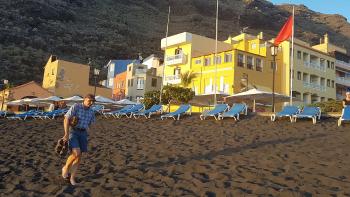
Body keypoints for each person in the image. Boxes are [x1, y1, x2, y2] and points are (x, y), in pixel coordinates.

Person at [61, 94, 96, 185]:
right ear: (84, 100)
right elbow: (66, 119)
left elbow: (90, 124)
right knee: (76, 152)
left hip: (83, 133)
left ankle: (72, 178)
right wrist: (66, 134)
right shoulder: (76, 106)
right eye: (89, 101)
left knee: (79, 157)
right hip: (73, 132)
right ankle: (65, 168)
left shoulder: (91, 112)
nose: (91, 103)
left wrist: (89, 134)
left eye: (93, 101)